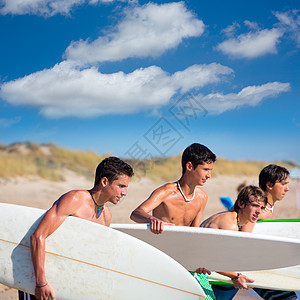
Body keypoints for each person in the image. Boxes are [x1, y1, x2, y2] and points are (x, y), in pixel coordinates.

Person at [18, 156, 134, 300]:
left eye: (126, 188)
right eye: (121, 186)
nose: (124, 193)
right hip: (37, 275)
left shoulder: (106, 215)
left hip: (64, 279)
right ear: (104, 181)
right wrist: (41, 282)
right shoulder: (74, 200)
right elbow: (37, 237)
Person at [130, 143, 216, 299]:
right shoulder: (165, 192)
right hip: (163, 257)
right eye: (205, 170)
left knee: (208, 297)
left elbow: (195, 234)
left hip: (187, 257)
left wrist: (200, 260)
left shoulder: (202, 197)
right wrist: (152, 219)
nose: (209, 175)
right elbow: (136, 213)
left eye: (210, 170)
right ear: (189, 166)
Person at [199, 185, 268, 299]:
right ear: (241, 204)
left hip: (200, 268)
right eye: (255, 206)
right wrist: (236, 277)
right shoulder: (230, 225)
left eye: (262, 208)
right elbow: (212, 260)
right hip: (194, 271)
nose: (258, 212)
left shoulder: (233, 219)